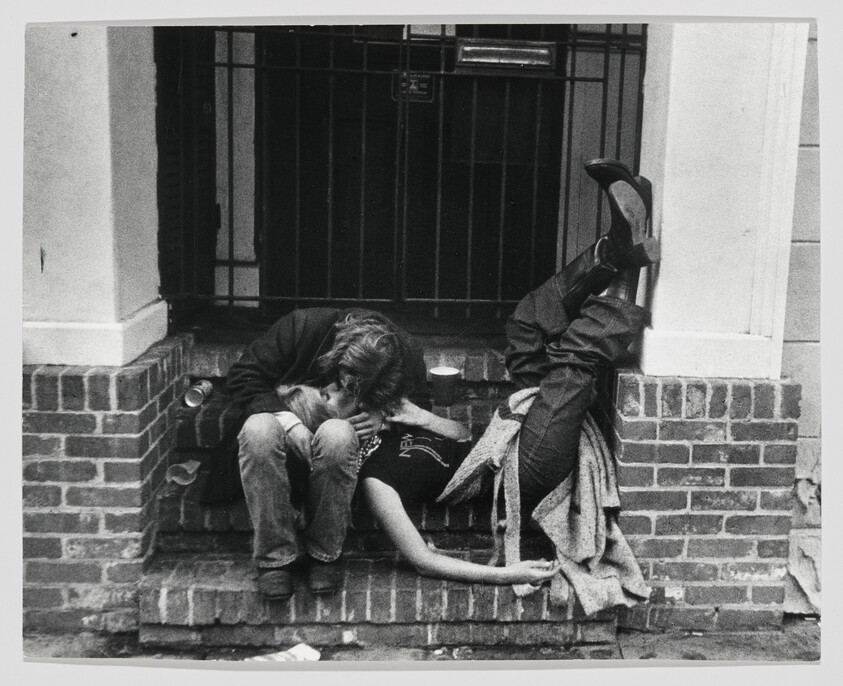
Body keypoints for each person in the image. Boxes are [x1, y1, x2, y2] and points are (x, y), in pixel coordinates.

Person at [357, 159, 659, 593]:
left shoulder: (387, 426)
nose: (348, 406)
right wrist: (507, 574)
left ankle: (616, 248)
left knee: (526, 323)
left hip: (508, 434)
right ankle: (630, 266)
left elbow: (462, 434)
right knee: (573, 358)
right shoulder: (374, 481)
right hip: (522, 473)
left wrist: (414, 416)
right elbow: (423, 560)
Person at [205, 308, 427, 601]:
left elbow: (418, 406)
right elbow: (243, 376)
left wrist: (384, 416)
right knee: (258, 429)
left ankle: (325, 555)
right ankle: (275, 559)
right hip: (276, 442)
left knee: (337, 433)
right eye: (348, 383)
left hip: (339, 457)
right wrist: (291, 423)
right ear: (339, 357)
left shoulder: (407, 355)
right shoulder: (300, 327)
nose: (352, 393)